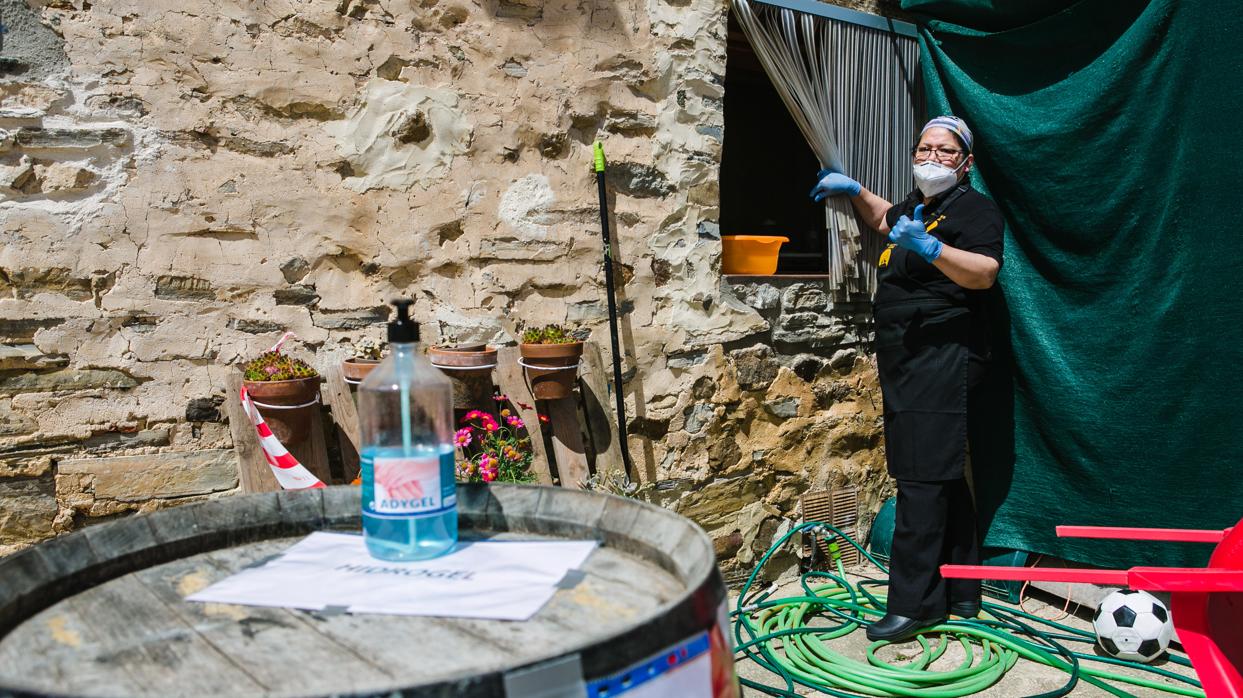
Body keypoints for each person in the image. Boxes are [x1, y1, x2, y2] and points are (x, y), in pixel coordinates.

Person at [810, 116, 1004, 642]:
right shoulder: (919, 207)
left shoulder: (973, 209)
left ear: (966, 162)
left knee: (919, 477)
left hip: (945, 354)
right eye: (924, 147)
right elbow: (882, 219)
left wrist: (934, 250)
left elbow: (985, 272)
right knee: (940, 472)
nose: (932, 158)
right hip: (908, 357)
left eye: (945, 151)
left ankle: (914, 606)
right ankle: (962, 590)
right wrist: (852, 190)